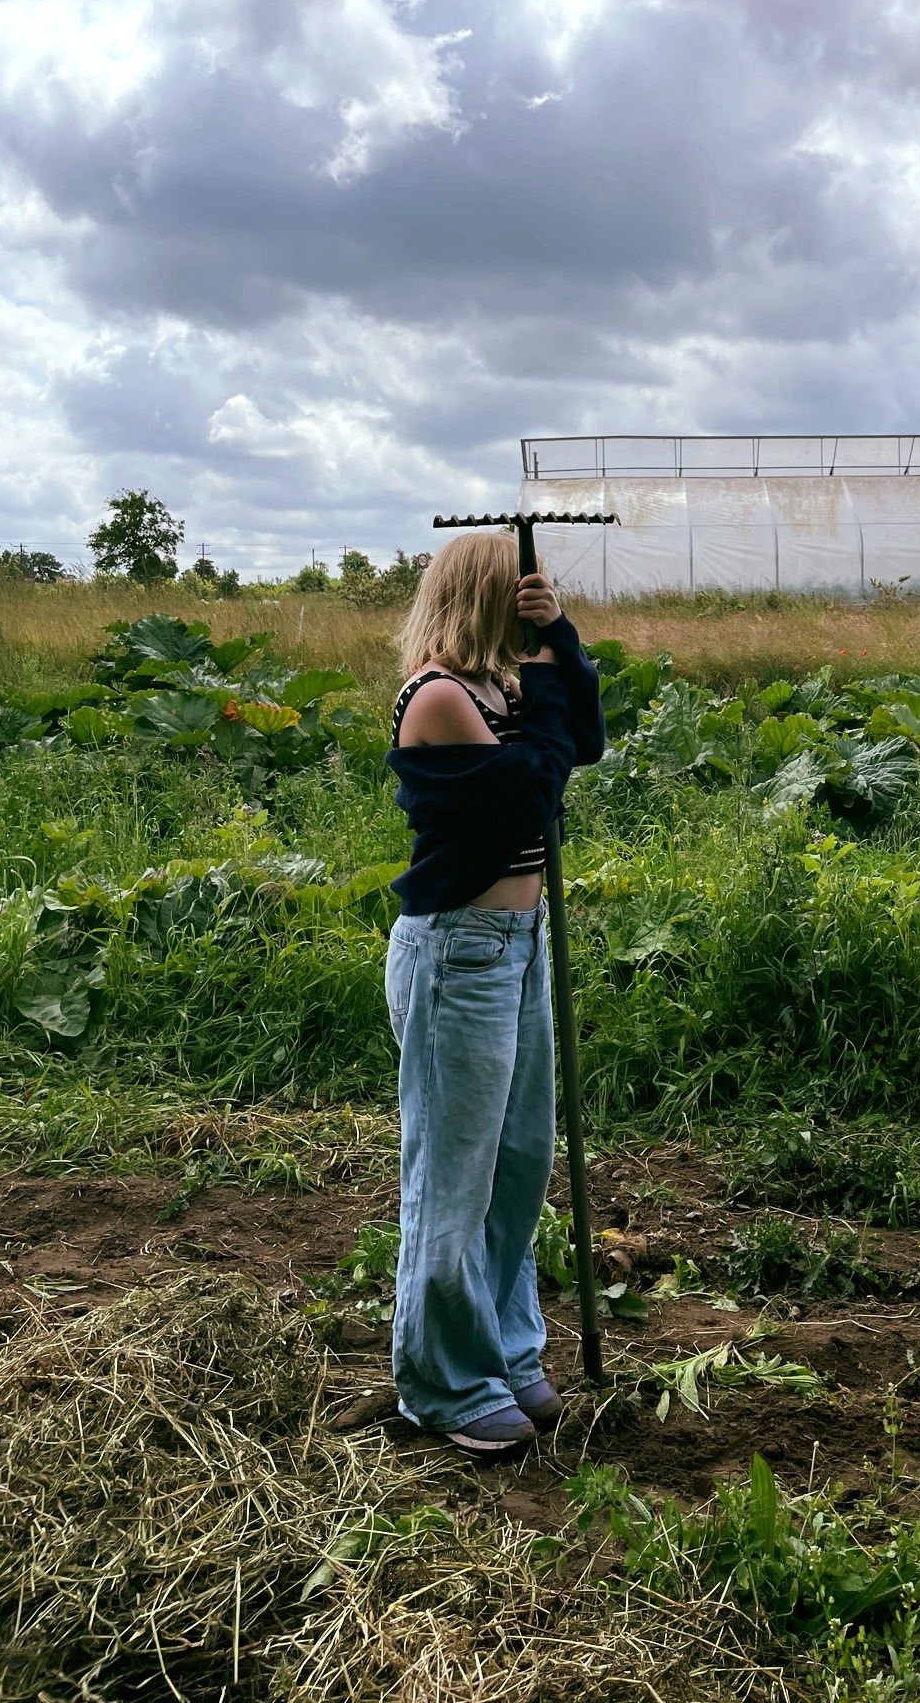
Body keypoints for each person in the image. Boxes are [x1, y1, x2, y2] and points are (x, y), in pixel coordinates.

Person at [384, 531, 604, 1452]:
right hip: (457, 954)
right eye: (526, 595)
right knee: (455, 1174)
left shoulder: (502, 687)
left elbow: (581, 742)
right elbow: (528, 792)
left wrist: (567, 647)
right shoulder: (438, 697)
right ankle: (443, 1381)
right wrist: (548, 682)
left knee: (518, 1165)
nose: (535, 602)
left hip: (518, 942)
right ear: (487, 595)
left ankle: (507, 1349)